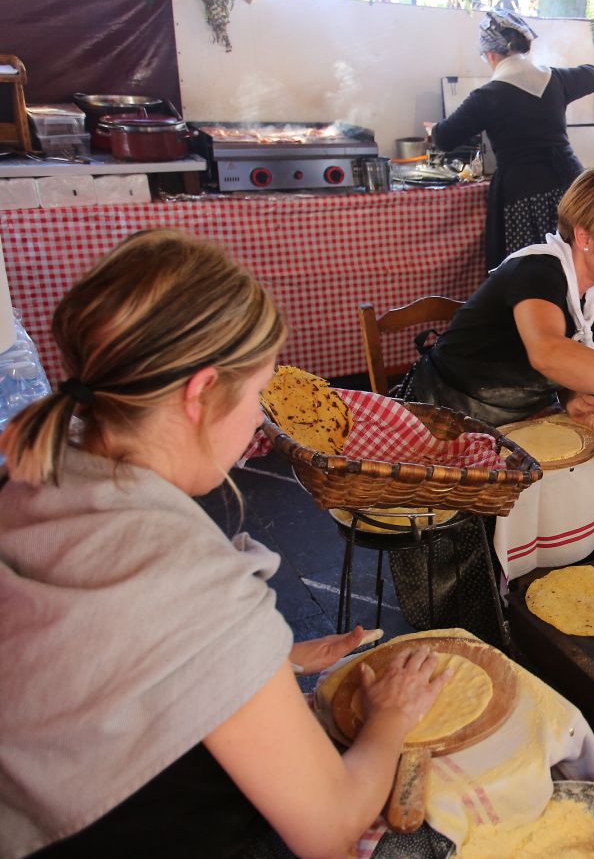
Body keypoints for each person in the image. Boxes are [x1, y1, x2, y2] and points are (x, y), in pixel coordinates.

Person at [0, 231, 451, 858]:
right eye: (258, 394)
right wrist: (391, 716)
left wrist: (271, 661)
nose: (260, 423)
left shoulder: (35, 468)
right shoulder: (188, 578)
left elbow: (83, 664)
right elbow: (328, 828)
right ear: (200, 392)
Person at [406, 169, 594, 443]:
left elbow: (564, 350)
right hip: (438, 419)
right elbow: (548, 350)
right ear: (584, 236)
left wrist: (570, 393)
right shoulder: (536, 271)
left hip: (511, 422)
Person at [432, 10, 594, 273]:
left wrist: (433, 130)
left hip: (523, 192)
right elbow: (593, 75)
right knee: (574, 266)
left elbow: (444, 138)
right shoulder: (556, 79)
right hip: (571, 185)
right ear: (524, 47)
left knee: (530, 272)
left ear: (490, 55)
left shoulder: (487, 96)